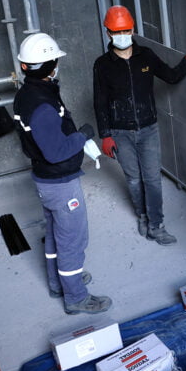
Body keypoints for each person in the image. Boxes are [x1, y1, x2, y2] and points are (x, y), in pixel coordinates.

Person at [12, 32, 111, 315]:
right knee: (73, 239)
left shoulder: (29, 94)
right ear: (49, 65)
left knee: (56, 234)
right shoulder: (41, 104)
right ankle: (76, 297)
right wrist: (82, 137)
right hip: (59, 182)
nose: (57, 64)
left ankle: (58, 284)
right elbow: (55, 151)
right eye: (54, 60)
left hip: (46, 179)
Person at [92, 6, 186, 245]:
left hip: (148, 129)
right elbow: (100, 100)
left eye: (125, 30)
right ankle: (142, 216)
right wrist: (105, 135)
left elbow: (171, 77)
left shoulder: (146, 56)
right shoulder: (102, 65)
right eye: (116, 31)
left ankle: (157, 226)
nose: (122, 35)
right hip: (120, 132)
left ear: (132, 29)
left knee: (152, 179)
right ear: (108, 33)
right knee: (134, 179)